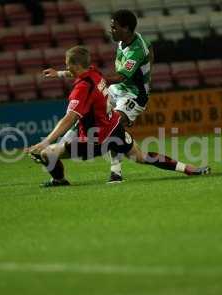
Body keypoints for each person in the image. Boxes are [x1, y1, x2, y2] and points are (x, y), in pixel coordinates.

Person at [27, 46, 210, 187]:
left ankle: (59, 181)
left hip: (94, 141)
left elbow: (69, 119)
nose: (67, 67)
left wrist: (46, 141)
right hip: (114, 128)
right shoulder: (94, 72)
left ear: (76, 65)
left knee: (46, 153)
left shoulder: (81, 88)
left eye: (68, 64)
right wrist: (58, 73)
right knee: (141, 156)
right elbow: (75, 73)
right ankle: (188, 168)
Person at [43, 9, 153, 184]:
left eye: (114, 27)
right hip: (117, 89)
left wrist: (94, 81)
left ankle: (116, 171)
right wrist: (62, 73)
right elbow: (96, 75)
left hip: (133, 95)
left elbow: (121, 76)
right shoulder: (122, 42)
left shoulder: (138, 49)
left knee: (115, 123)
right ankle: (58, 147)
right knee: (90, 115)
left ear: (126, 28)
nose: (111, 30)